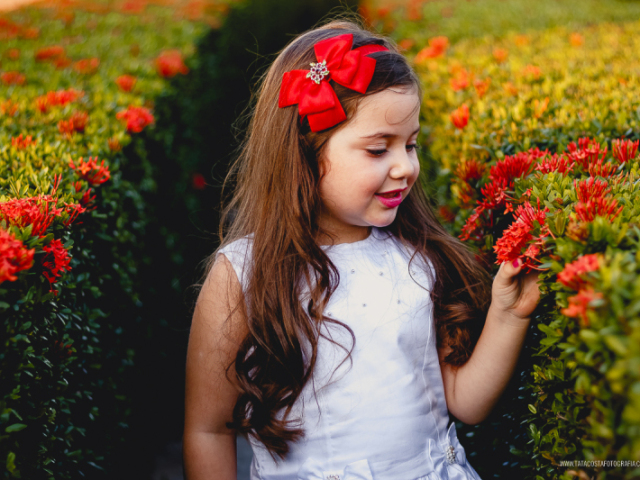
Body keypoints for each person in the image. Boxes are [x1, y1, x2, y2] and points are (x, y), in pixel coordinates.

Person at [183, 18, 541, 480]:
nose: (404, 168)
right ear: (303, 155)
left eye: (410, 145)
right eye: (378, 150)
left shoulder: (417, 258)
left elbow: (463, 401)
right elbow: (209, 430)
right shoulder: (244, 274)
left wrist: (509, 314)